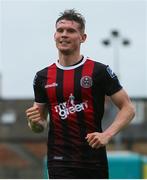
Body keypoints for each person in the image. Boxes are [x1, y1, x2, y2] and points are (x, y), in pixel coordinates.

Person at [26, 9, 135, 179]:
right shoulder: (42, 77)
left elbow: (128, 108)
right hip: (59, 160)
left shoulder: (99, 71)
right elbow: (40, 124)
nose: (64, 35)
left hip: (93, 160)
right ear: (54, 36)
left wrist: (107, 134)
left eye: (71, 31)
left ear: (83, 38)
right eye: (60, 30)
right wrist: (34, 123)